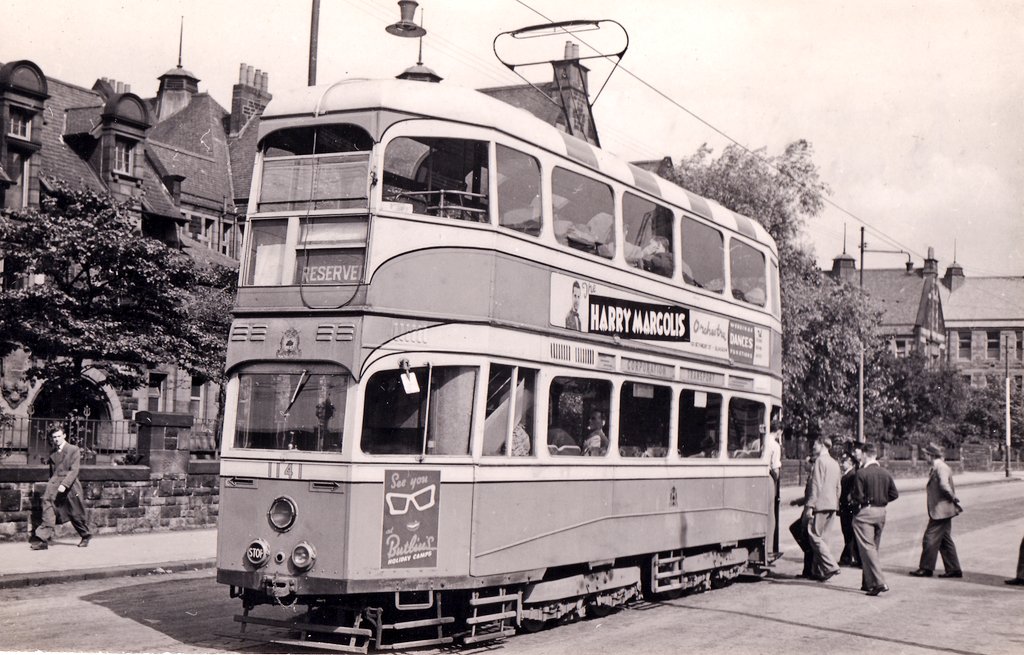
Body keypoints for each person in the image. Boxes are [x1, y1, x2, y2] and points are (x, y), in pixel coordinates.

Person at [32, 427, 92, 549]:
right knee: (48, 507)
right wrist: (52, 485)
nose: (56, 439)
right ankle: (43, 539)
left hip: (70, 486)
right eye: (54, 437)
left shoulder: (73, 450)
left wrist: (64, 485)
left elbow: (74, 470)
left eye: (59, 436)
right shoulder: (53, 453)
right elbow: (52, 472)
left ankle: (85, 535)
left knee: (74, 512)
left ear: (64, 435)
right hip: (54, 485)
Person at [909, 442, 963, 578]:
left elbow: (944, 485)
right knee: (944, 540)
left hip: (941, 511)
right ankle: (954, 569)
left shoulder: (941, 468)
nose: (924, 457)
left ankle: (926, 568)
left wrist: (953, 497)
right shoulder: (937, 467)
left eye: (926, 455)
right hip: (942, 510)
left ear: (931, 455)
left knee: (929, 538)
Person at [851, 443, 899, 596]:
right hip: (881, 512)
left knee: (867, 548)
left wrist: (853, 499)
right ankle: (868, 582)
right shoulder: (885, 472)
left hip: (866, 512)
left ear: (865, 454)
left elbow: (857, 497)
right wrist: (882, 499)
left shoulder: (861, 473)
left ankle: (879, 583)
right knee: (873, 549)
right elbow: (894, 494)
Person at [804, 436, 842, 581]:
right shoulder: (834, 463)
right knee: (824, 539)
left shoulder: (820, 461)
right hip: (832, 505)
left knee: (814, 536)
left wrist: (810, 505)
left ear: (821, 445)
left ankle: (831, 566)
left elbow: (816, 485)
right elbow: (839, 487)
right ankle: (819, 571)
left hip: (820, 505)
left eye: (815, 444)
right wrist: (835, 502)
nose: (813, 447)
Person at [837, 452, 862, 567]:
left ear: (850, 463)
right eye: (842, 462)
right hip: (845, 509)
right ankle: (853, 557)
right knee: (848, 533)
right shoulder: (848, 474)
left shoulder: (852, 475)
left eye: (844, 462)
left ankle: (847, 558)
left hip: (848, 509)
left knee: (849, 533)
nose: (842, 464)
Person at [765, 412, 783, 556]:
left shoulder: (759, 441)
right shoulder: (775, 445)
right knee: (771, 515)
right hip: (769, 480)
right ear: (778, 431)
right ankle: (769, 549)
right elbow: (775, 469)